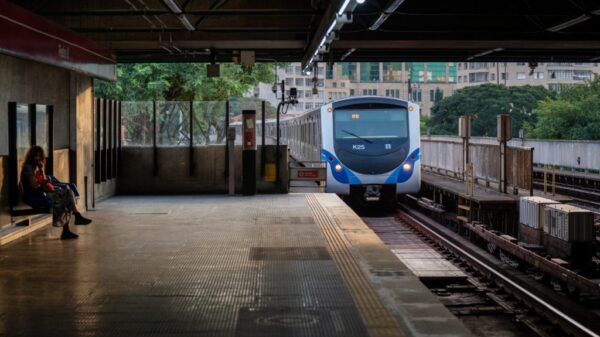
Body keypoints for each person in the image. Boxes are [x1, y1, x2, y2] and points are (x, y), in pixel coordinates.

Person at [20, 146, 92, 240]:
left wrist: (41, 171)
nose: (37, 158)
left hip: (41, 194)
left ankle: (72, 223)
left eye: (39, 156)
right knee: (64, 197)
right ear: (31, 156)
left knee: (67, 193)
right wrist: (40, 175)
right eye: (35, 156)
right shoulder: (28, 168)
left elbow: (44, 181)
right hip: (33, 196)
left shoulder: (36, 168)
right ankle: (72, 222)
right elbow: (34, 186)